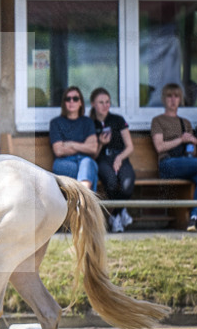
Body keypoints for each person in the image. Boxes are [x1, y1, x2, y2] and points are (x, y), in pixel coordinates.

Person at [150, 83, 197, 232]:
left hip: (185, 162)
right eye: (169, 96)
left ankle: (194, 219)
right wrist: (181, 139)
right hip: (167, 164)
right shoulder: (158, 120)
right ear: (163, 99)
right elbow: (159, 147)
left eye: (176, 96)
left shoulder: (185, 123)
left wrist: (193, 143)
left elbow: (194, 152)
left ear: (181, 99)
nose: (173, 100)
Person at [89, 87, 135, 232]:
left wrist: (120, 158)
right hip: (102, 159)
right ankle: (120, 214)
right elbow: (93, 156)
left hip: (120, 158)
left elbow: (130, 147)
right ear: (93, 104)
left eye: (107, 102)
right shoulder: (90, 123)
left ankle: (116, 214)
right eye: (101, 102)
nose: (105, 105)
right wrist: (101, 143)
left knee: (127, 185)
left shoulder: (118, 120)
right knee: (111, 183)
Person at [49, 86, 98, 192]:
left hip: (84, 161)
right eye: (68, 99)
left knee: (87, 163)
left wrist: (71, 144)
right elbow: (58, 151)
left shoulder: (87, 122)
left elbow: (93, 148)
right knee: (87, 170)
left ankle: (81, 197)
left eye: (75, 99)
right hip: (63, 162)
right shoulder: (56, 123)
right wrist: (83, 147)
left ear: (80, 102)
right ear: (64, 103)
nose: (71, 101)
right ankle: (85, 196)